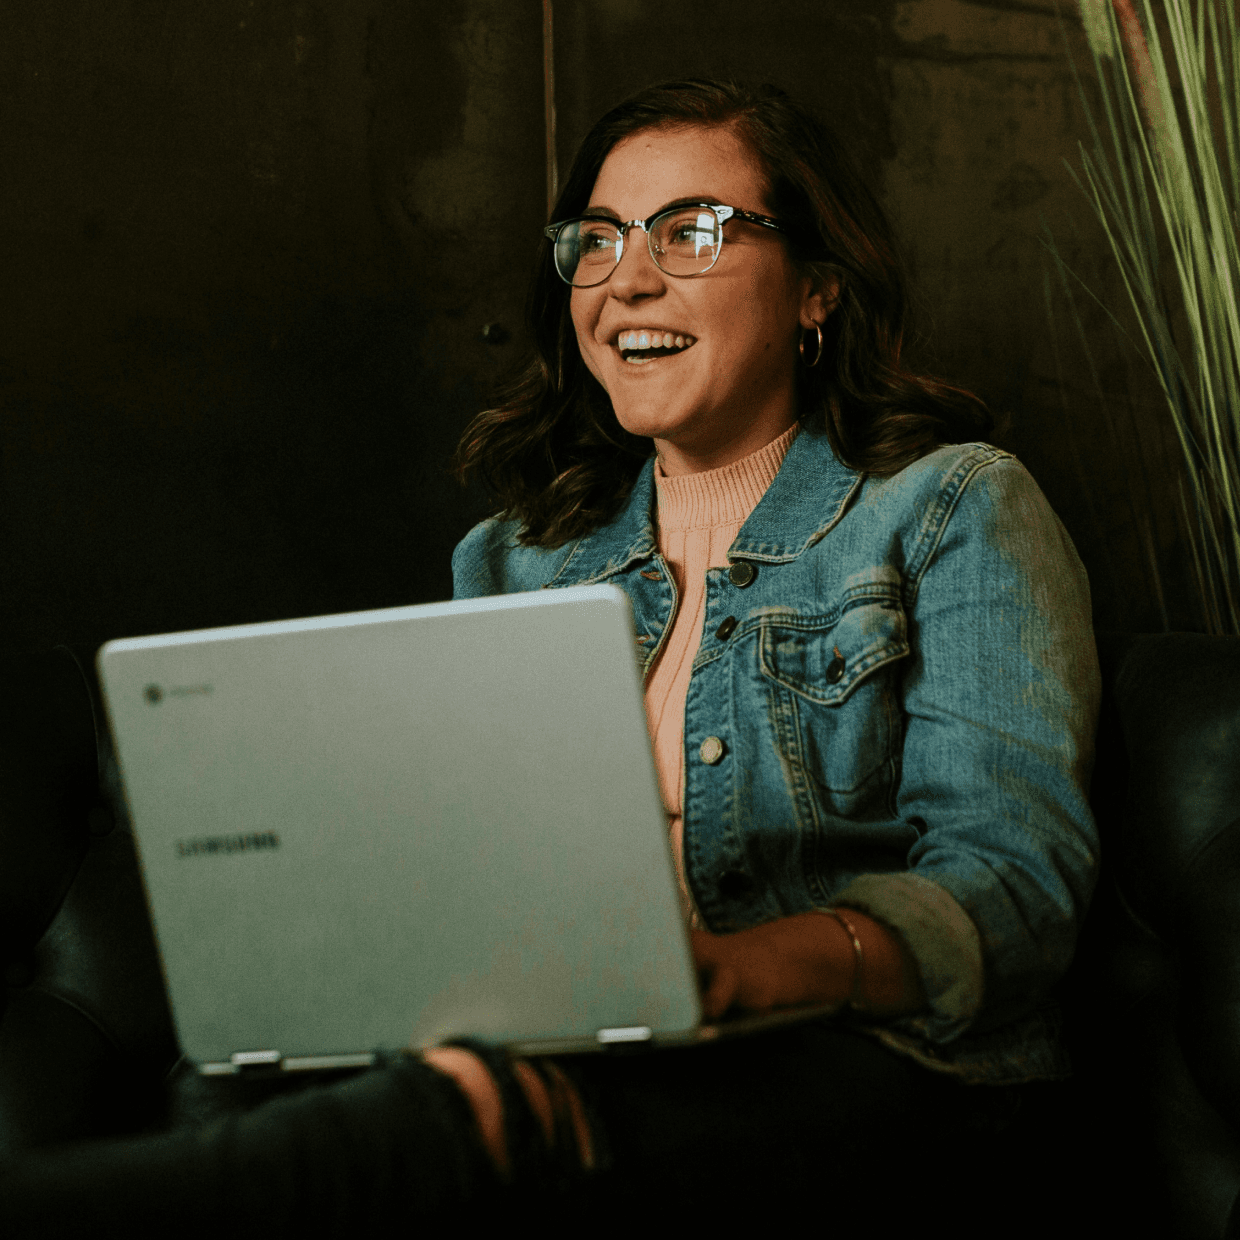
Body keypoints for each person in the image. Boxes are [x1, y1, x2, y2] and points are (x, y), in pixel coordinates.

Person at [0, 77, 1099, 1236]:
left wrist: (740, 968)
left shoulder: (952, 507)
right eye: (598, 239)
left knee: (462, 1130)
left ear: (817, 287)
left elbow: (1012, 886)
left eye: (691, 231)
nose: (627, 278)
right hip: (574, 1058)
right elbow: (468, 882)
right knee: (241, 1083)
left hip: (873, 1071)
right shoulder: (516, 559)